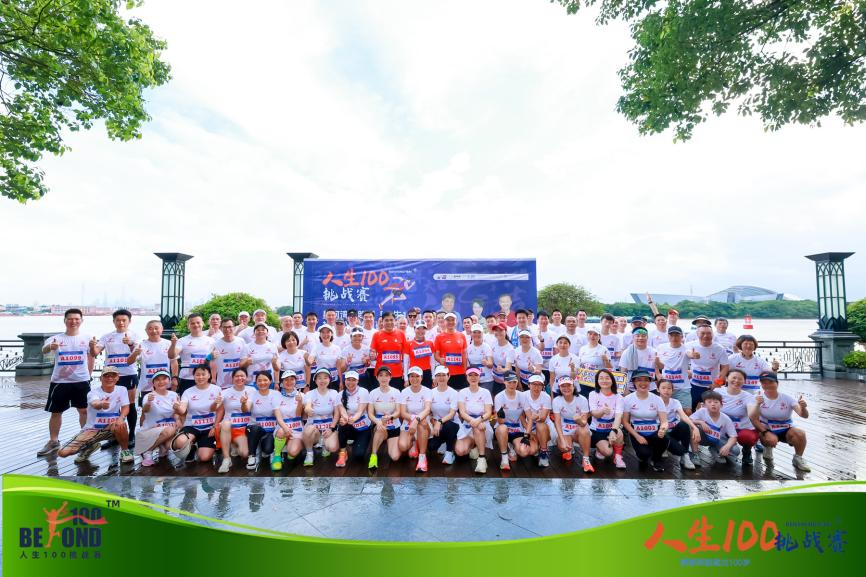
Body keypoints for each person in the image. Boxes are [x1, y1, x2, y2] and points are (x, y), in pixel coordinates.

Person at [38, 308, 94, 457]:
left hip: (81, 381)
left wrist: (89, 375)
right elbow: (44, 350)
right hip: (59, 381)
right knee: (56, 412)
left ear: (81, 321)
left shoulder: (87, 338)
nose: (73, 321)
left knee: (84, 411)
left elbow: (92, 356)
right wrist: (51, 347)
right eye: (70, 319)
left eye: (76, 319)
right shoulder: (56, 338)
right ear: (65, 320)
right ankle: (53, 441)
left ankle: (84, 441)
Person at [58, 366, 133, 464]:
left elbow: (125, 407)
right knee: (63, 453)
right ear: (101, 378)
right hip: (93, 429)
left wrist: (121, 417)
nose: (110, 378)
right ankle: (90, 446)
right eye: (106, 376)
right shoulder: (93, 393)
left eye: (113, 375)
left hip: (111, 427)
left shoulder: (122, 390)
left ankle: (125, 451)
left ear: (118, 378)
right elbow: (95, 403)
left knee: (121, 424)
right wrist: (101, 404)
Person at [91, 309, 140, 445]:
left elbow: (138, 353)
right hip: (110, 376)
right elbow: (95, 352)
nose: (121, 322)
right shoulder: (107, 336)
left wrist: (130, 343)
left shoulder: (135, 336)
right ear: (113, 321)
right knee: (113, 405)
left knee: (130, 404)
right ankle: (114, 436)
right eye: (118, 320)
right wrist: (92, 346)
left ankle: (131, 435)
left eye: (124, 320)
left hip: (128, 374)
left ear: (129, 321)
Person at [749, 371, 811, 472]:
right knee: (768, 439)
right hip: (767, 429)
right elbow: (752, 418)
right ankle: (767, 447)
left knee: (800, 434)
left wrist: (803, 407)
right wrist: (757, 405)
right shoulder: (758, 397)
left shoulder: (787, 398)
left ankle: (798, 458)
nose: (767, 385)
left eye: (770, 382)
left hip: (785, 428)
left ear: (777, 383)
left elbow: (804, 415)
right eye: (764, 383)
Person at [171, 364, 221, 464]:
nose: (200, 377)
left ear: (209, 375)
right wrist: (177, 407)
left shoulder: (217, 389)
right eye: (197, 375)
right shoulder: (188, 392)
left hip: (209, 428)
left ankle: (202, 446)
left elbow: (219, 410)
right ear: (193, 376)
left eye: (203, 374)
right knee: (180, 442)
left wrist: (215, 426)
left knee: (204, 457)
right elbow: (182, 410)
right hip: (192, 426)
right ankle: (191, 448)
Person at [622, 370, 669, 472]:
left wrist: (663, 429)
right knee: (644, 455)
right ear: (634, 382)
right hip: (637, 432)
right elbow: (625, 422)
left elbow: (664, 421)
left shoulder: (657, 399)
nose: (643, 383)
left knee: (665, 438)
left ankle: (656, 459)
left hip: (655, 432)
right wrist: (637, 436)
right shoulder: (627, 399)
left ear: (650, 382)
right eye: (639, 380)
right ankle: (645, 454)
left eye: (646, 380)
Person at [245, 371, 290, 471]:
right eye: (259, 380)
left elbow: (279, 412)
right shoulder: (252, 394)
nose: (262, 383)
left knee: (268, 449)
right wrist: (244, 403)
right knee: (254, 429)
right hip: (255, 428)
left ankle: (261, 445)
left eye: (265, 380)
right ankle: (252, 456)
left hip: (270, 430)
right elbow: (246, 409)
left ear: (270, 381)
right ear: (256, 382)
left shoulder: (276, 394)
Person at [135, 370, 181, 467]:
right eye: (157, 380)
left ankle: (162, 446)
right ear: (153, 383)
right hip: (152, 429)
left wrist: (177, 418)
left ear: (169, 381)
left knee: (174, 444)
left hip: (167, 429)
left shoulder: (174, 395)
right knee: (170, 430)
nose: (161, 382)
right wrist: (149, 402)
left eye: (164, 379)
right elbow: (145, 410)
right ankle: (148, 451)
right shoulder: (149, 396)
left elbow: (176, 414)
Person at [127, 319, 176, 406]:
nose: (154, 331)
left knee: (166, 409)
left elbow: (174, 362)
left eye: (156, 328)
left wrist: (175, 378)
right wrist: (135, 353)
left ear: (162, 329)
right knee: (147, 410)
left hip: (165, 384)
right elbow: (129, 362)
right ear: (146, 331)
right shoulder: (141, 345)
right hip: (147, 386)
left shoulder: (169, 344)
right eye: (150, 328)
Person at [215, 367, 254, 473]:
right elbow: (216, 407)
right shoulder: (225, 392)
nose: (239, 378)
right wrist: (216, 403)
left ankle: (234, 444)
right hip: (229, 427)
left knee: (244, 453)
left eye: (242, 376)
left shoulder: (252, 390)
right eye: (237, 376)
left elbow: (246, 409)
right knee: (225, 423)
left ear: (246, 377)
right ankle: (226, 459)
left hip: (244, 429)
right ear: (232, 378)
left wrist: (243, 403)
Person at [454, 367, 493, 473]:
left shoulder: (485, 392)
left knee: (477, 428)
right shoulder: (462, 392)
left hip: (482, 424)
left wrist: (478, 420)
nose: (473, 377)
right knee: (460, 451)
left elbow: (488, 412)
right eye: (470, 375)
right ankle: (474, 445)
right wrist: (474, 421)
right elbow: (462, 413)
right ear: (466, 377)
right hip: (467, 425)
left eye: (476, 375)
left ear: (480, 377)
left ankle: (482, 459)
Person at [551, 377, 594, 473]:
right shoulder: (556, 400)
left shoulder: (582, 399)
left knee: (584, 430)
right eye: (563, 386)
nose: (566, 388)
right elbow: (557, 421)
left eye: (569, 385)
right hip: (565, 430)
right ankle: (569, 447)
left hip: (579, 429)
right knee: (564, 448)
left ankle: (586, 459)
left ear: (573, 386)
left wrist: (578, 420)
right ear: (559, 388)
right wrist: (562, 440)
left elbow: (584, 423)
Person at [301, 367, 341, 466]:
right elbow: (308, 406)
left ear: (329, 379)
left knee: (333, 447)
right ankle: (309, 453)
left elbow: (337, 414)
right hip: (315, 430)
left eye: (325, 378)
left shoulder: (334, 393)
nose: (322, 380)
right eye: (319, 378)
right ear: (315, 380)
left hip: (328, 429)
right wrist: (308, 409)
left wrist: (331, 428)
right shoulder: (310, 393)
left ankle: (324, 444)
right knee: (308, 430)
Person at [168, 313, 215, 396]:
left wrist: (213, 377)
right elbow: (172, 356)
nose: (196, 325)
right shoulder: (182, 340)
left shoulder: (211, 340)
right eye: (192, 323)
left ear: (203, 323)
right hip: (187, 378)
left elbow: (214, 360)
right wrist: (173, 344)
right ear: (188, 325)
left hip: (205, 377)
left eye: (198, 322)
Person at [657, 379, 700, 470]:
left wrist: (694, 427)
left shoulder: (675, 402)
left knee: (684, 425)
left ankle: (685, 456)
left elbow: (683, 416)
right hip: (660, 434)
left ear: (673, 390)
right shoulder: (654, 402)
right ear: (658, 389)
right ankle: (663, 449)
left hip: (672, 433)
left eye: (669, 388)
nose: (666, 390)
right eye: (663, 388)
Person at [718, 369, 759, 466]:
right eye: (734, 378)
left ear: (744, 381)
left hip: (740, 428)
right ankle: (715, 448)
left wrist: (757, 404)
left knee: (748, 438)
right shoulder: (717, 392)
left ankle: (747, 451)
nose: (736, 381)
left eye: (740, 379)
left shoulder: (748, 396)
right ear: (727, 379)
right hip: (723, 428)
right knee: (733, 451)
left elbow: (751, 415)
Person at [689, 390, 740, 466]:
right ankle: (695, 454)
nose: (713, 404)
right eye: (709, 402)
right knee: (692, 427)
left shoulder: (726, 418)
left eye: (716, 402)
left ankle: (715, 450)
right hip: (703, 438)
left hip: (717, 440)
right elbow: (688, 420)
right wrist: (700, 422)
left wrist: (727, 446)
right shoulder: (702, 411)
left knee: (735, 451)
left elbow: (733, 437)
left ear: (721, 405)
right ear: (704, 405)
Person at [588, 369, 626, 469]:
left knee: (619, 432)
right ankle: (599, 448)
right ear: (597, 381)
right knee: (607, 452)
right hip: (597, 430)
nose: (604, 380)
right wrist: (602, 411)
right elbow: (594, 414)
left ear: (612, 380)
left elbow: (618, 416)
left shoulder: (619, 397)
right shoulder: (593, 394)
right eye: (601, 378)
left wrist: (613, 430)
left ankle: (618, 457)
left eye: (607, 378)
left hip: (611, 428)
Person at [367, 366, 404, 469]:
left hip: (394, 426)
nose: (384, 378)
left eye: (386, 375)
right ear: (377, 377)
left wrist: (390, 417)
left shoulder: (396, 392)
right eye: (381, 375)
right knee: (380, 427)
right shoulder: (373, 393)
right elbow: (370, 414)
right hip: (380, 426)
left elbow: (398, 412)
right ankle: (373, 455)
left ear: (390, 377)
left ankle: (392, 443)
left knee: (395, 457)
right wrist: (378, 422)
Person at [493, 370, 531, 470]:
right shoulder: (499, 397)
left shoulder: (522, 396)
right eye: (509, 382)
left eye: (514, 382)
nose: (512, 384)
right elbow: (500, 422)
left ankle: (511, 445)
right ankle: (504, 457)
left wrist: (527, 435)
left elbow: (530, 417)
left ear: (517, 382)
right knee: (503, 428)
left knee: (524, 452)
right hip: (502, 429)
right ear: (504, 382)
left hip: (517, 429)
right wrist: (500, 415)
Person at [686, 325, 729, 410]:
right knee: (690, 409)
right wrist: (691, 356)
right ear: (697, 334)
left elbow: (725, 367)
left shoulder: (719, 348)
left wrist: (718, 383)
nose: (706, 336)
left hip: (711, 385)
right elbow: (684, 356)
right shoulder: (690, 345)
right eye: (702, 333)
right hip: (694, 384)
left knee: (712, 410)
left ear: (712, 334)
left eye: (709, 333)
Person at [399, 366, 433, 472]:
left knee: (422, 423)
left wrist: (416, 421)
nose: (414, 379)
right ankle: (414, 442)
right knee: (403, 447)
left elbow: (427, 410)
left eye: (417, 376)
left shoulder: (427, 391)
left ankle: (422, 457)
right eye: (412, 376)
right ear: (408, 378)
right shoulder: (404, 392)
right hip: (408, 422)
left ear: (421, 378)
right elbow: (403, 413)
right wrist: (414, 419)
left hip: (423, 423)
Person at [335, 371, 371, 467]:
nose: (350, 382)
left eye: (353, 380)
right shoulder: (340, 394)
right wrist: (345, 418)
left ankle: (358, 443)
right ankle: (343, 453)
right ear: (345, 381)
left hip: (363, 427)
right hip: (348, 426)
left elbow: (360, 411)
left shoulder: (363, 391)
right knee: (342, 423)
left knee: (359, 455)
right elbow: (342, 410)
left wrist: (353, 419)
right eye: (348, 380)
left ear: (358, 381)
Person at [655, 326, 692, 412]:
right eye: (671, 335)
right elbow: (657, 363)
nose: (674, 338)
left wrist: (694, 355)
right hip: (666, 387)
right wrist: (657, 373)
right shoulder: (661, 347)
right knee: (663, 411)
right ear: (668, 336)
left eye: (677, 335)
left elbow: (691, 355)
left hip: (682, 387)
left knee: (687, 411)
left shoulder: (686, 348)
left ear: (682, 336)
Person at [428, 366, 460, 465]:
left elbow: (452, 414)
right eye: (438, 375)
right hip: (436, 425)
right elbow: (428, 411)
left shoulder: (454, 393)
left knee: (449, 426)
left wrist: (439, 422)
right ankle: (444, 441)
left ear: (448, 376)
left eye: (444, 375)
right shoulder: (430, 392)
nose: (441, 378)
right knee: (431, 447)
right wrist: (432, 420)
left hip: (452, 424)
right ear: (435, 377)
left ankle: (449, 452)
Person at [370, 312, 408, 390]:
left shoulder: (401, 334)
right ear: (382, 322)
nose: (389, 322)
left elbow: (405, 355)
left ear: (395, 321)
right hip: (381, 374)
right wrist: (372, 355)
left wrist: (405, 374)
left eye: (391, 320)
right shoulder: (376, 335)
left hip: (397, 374)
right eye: (386, 320)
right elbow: (372, 353)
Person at [274, 369, 305, 465]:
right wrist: (286, 428)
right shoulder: (277, 396)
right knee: (281, 431)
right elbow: (278, 418)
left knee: (292, 452)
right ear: (282, 382)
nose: (289, 382)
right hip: (282, 428)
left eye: (292, 379)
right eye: (286, 379)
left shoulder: (302, 395)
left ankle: (288, 447)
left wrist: (300, 402)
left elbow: (298, 415)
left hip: (297, 429)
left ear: (296, 381)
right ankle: (277, 456)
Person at [523, 373, 553, 467]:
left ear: (542, 386)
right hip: (529, 425)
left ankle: (543, 452)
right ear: (529, 385)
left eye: (539, 385)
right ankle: (538, 445)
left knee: (540, 424)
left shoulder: (546, 397)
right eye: (534, 384)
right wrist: (528, 431)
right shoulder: (523, 395)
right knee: (531, 450)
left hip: (545, 425)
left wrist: (536, 417)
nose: (536, 387)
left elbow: (543, 418)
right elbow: (522, 416)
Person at [434, 312, 469, 390]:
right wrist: (439, 359)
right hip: (445, 373)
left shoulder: (462, 336)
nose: (450, 322)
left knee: (460, 395)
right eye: (448, 320)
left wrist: (465, 370)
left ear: (456, 321)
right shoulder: (439, 337)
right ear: (444, 322)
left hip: (460, 373)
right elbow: (436, 355)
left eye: (452, 320)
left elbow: (464, 355)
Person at [209, 318, 247, 388]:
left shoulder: (241, 341)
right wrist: (213, 378)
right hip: (222, 384)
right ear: (221, 328)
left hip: (239, 382)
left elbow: (244, 360)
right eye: (225, 327)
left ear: (234, 327)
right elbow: (212, 362)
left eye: (230, 327)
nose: (227, 329)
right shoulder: (216, 344)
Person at [618, 326, 657, 392]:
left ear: (647, 337)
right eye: (637, 336)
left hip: (650, 387)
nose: (640, 338)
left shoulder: (654, 351)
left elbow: (658, 370)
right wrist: (624, 391)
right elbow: (623, 372)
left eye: (643, 336)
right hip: (632, 388)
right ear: (633, 337)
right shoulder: (627, 352)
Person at [308, 324, 342, 390]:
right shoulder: (316, 347)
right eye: (323, 332)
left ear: (331, 334)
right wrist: (308, 360)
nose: (325, 334)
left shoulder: (337, 348)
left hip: (333, 380)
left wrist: (341, 381)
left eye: (328, 332)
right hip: (320, 380)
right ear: (320, 335)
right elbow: (310, 360)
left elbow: (338, 367)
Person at [404, 321, 435, 388]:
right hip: (413, 373)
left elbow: (432, 362)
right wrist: (406, 378)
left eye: (423, 328)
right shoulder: (408, 344)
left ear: (426, 330)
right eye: (418, 328)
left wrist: (433, 377)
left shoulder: (430, 343)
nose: (421, 331)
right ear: (414, 329)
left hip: (427, 373)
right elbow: (405, 363)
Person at [466, 324, 494, 395]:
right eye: (474, 332)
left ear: (482, 334)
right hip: (473, 380)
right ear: (471, 334)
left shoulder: (486, 347)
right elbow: (467, 365)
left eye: (479, 332)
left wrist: (487, 363)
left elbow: (491, 364)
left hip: (486, 380)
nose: (477, 334)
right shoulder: (468, 348)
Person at [490, 323, 515, 397]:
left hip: (506, 381)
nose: (498, 332)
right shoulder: (493, 344)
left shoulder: (510, 349)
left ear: (506, 332)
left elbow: (508, 368)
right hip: (494, 379)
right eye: (496, 330)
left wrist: (502, 370)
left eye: (501, 330)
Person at [535, 311, 557, 385]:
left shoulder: (553, 334)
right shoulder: (533, 333)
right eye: (542, 319)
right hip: (537, 367)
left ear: (548, 320)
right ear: (537, 320)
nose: (544, 321)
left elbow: (555, 351)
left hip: (549, 368)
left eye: (546, 319)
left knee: (549, 387)